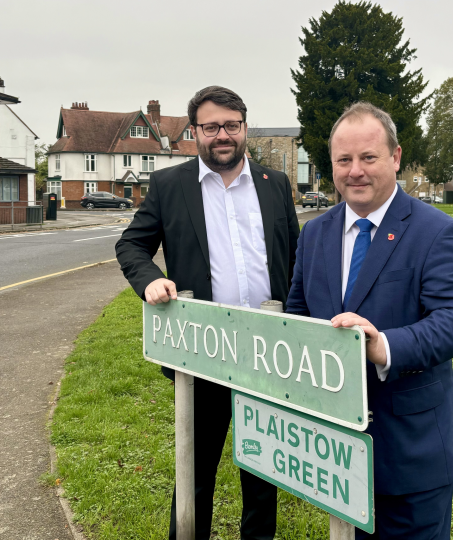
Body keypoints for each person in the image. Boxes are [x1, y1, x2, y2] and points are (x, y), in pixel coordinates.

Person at [285, 102, 453, 539]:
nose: (355, 171)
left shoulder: (438, 231)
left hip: (411, 452)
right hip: (334, 452)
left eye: (368, 158)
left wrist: (383, 345)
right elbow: (298, 317)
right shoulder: (314, 233)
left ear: (395, 158)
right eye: (343, 160)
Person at [115, 86, 300, 540]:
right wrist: (149, 280)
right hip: (203, 351)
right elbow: (131, 245)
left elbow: (295, 257)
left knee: (264, 471)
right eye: (211, 126)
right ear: (194, 131)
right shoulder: (169, 186)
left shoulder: (274, 185)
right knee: (195, 470)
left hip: (266, 350)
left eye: (231, 125)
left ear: (244, 127)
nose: (222, 135)